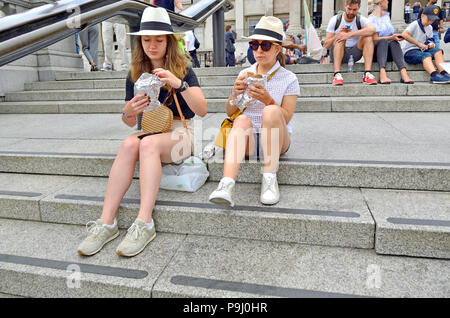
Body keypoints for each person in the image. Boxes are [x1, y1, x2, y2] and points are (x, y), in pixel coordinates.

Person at [77, 6, 207, 257]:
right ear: (140, 41)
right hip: (150, 128)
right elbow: (128, 121)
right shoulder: (135, 72)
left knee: (147, 146)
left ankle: (145, 222)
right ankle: (106, 223)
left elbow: (201, 110)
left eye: (159, 40)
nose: (152, 45)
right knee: (128, 143)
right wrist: (128, 110)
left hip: (181, 132)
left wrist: (178, 83)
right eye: (146, 39)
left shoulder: (183, 68)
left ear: (169, 42)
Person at [208, 16, 299, 207]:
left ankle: (269, 178)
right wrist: (234, 94)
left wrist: (268, 100)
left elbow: (287, 117)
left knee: (271, 112)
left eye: (265, 45)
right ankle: (226, 184)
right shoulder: (245, 73)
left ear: (277, 48)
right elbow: (229, 111)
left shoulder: (289, 78)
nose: (258, 50)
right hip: (249, 140)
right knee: (240, 120)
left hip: (278, 138)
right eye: (254, 45)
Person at [324, 0, 377, 86]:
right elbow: (326, 45)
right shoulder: (335, 20)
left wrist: (349, 35)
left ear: (359, 8)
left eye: (354, 9)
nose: (351, 12)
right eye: (349, 9)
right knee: (341, 37)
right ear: (345, 6)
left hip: (355, 53)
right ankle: (337, 74)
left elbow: (372, 30)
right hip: (337, 53)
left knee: (368, 36)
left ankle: (367, 73)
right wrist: (338, 35)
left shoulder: (361, 19)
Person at [401, 5, 450, 84]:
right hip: (409, 51)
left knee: (438, 51)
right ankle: (434, 75)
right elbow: (404, 34)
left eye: (433, 20)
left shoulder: (429, 27)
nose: (430, 21)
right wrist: (418, 44)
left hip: (421, 50)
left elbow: (429, 40)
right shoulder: (415, 24)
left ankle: (444, 72)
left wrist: (431, 44)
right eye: (429, 19)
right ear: (422, 16)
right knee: (426, 55)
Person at [369, 0, 414, 84]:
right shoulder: (372, 19)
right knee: (383, 41)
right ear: (380, 3)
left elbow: (390, 35)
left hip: (388, 52)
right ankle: (382, 74)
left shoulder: (386, 16)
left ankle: (404, 74)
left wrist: (394, 37)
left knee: (394, 42)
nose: (388, 2)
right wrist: (390, 37)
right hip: (376, 52)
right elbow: (374, 39)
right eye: (386, 1)